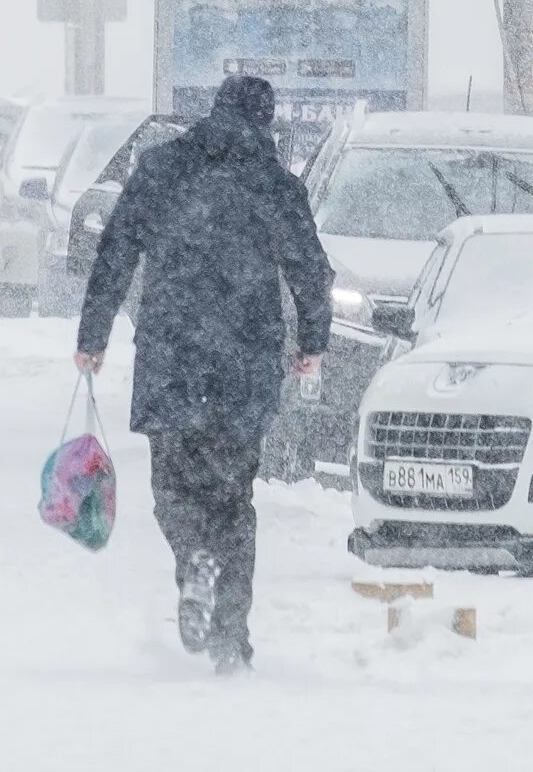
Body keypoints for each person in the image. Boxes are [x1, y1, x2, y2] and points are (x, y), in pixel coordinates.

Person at [74, 74, 334, 674]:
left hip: (173, 351)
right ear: (265, 122)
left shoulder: (164, 167)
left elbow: (115, 249)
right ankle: (229, 642)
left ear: (213, 111)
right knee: (233, 500)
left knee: (174, 487)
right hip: (245, 358)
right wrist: (312, 343)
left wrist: (93, 337)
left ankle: (193, 557)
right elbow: (310, 271)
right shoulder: (274, 183)